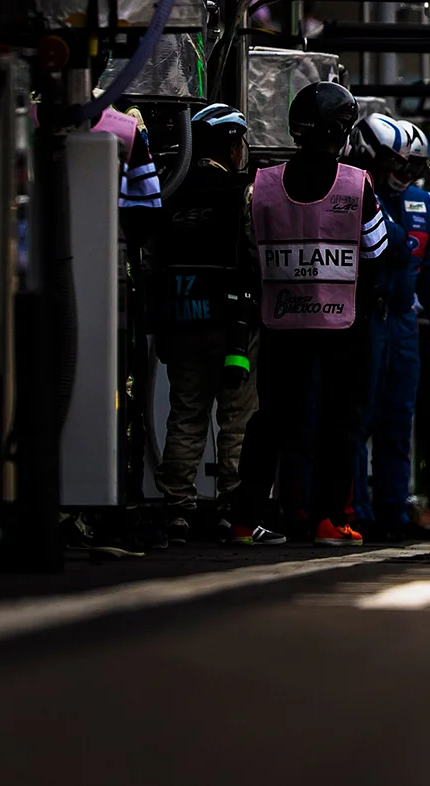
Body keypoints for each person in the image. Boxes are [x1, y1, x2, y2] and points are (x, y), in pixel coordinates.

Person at [227, 82, 394, 546]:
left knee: (270, 421)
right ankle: (329, 521)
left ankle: (244, 520)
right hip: (345, 324)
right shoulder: (356, 185)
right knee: (341, 423)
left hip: (280, 321)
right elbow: (379, 252)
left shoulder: (260, 184)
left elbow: (249, 251)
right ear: (344, 131)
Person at [134, 103, 264, 543]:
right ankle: (231, 509)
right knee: (237, 419)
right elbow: (255, 254)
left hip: (181, 322)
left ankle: (177, 511)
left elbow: (149, 261)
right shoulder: (240, 193)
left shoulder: (169, 192)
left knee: (185, 416)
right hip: (234, 329)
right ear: (230, 143)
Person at [351, 114, 430, 540]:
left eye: (413, 168)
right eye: (399, 166)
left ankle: (392, 509)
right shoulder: (349, 195)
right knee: (357, 417)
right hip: (359, 317)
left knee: (397, 419)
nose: (405, 176)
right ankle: (354, 510)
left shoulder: (422, 204)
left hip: (404, 322)